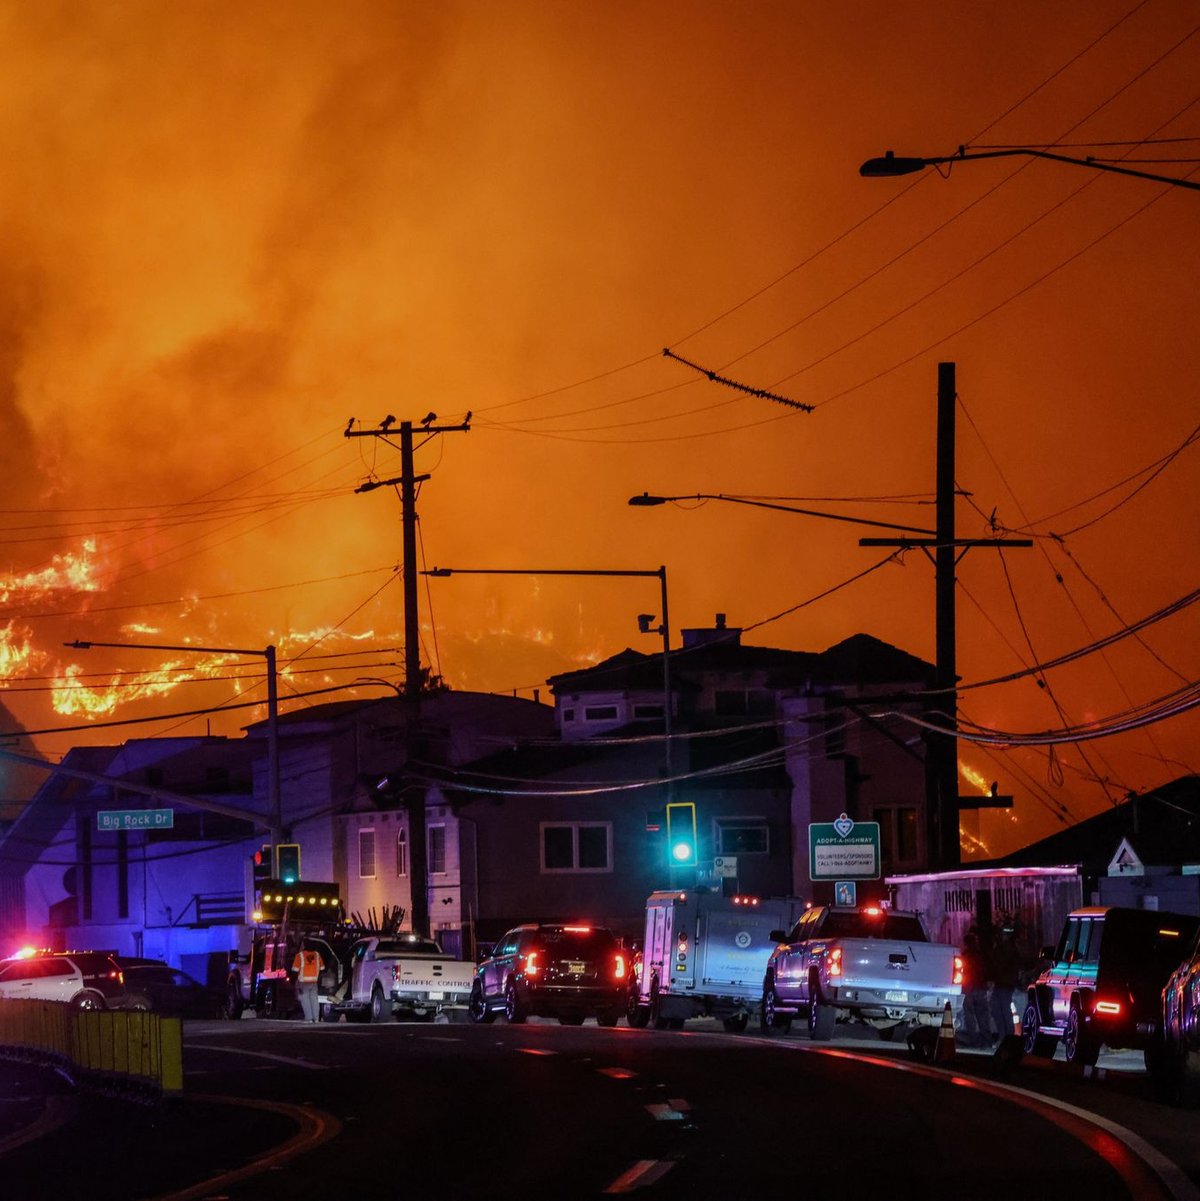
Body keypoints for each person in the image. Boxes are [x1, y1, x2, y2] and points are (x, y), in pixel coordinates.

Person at [988, 925, 1022, 1044]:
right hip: (1002, 983)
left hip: (1005, 984)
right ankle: (1005, 1037)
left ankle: (1008, 1037)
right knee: (997, 1010)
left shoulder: (1009, 949)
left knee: (1003, 1010)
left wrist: (994, 951)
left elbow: (1000, 963)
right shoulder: (1007, 948)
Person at [959, 926, 991, 1047]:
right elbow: (986, 969)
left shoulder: (965, 956)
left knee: (970, 1014)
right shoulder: (981, 955)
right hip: (978, 986)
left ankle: (974, 1039)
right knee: (981, 1014)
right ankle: (985, 1039)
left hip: (969, 987)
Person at [292, 939, 325, 1023]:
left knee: (305, 1000)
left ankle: (308, 1018)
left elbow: (295, 970)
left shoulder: (299, 956)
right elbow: (322, 968)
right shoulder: (317, 955)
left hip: (303, 982)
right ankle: (316, 1018)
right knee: (314, 1000)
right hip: (314, 982)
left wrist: (295, 981)